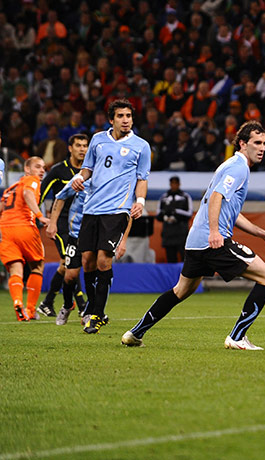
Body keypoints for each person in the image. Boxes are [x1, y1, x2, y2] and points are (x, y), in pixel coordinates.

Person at [121, 121, 265, 350]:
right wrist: (216, 232)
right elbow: (217, 197)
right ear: (242, 144)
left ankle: (135, 333)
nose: (262, 148)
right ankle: (237, 337)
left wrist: (262, 233)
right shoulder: (238, 167)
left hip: (196, 241)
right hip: (213, 240)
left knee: (181, 290)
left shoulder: (229, 166)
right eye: (257, 143)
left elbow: (230, 211)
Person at [70, 99, 151, 334]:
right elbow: (88, 169)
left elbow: (142, 178)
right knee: (87, 261)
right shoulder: (97, 140)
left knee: (104, 260)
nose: (125, 120)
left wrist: (141, 201)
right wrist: (79, 178)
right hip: (91, 207)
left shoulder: (141, 146)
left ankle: (95, 314)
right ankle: (98, 310)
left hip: (117, 209)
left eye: (129, 116)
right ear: (111, 119)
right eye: (121, 116)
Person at [36, 133, 89, 318]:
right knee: (70, 261)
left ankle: (47, 302)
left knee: (64, 265)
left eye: (85, 145)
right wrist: (38, 216)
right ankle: (82, 305)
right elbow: (41, 194)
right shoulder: (59, 170)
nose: (82, 149)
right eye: (78, 145)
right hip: (60, 224)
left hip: (80, 224)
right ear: (70, 148)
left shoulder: (90, 171)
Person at [0, 157, 49, 321]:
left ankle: (17, 304)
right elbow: (28, 193)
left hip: (5, 230)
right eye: (37, 167)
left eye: (43, 167)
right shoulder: (31, 180)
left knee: (16, 270)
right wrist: (40, 215)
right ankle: (30, 309)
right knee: (37, 265)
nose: (41, 170)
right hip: (24, 227)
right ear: (27, 169)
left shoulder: (10, 188)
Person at [156, 176, 193, 263]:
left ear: (179, 184)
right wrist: (166, 216)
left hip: (181, 233)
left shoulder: (185, 197)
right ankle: (172, 276)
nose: (174, 185)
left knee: (184, 257)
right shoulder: (164, 197)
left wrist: (175, 213)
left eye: (175, 183)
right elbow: (158, 215)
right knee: (170, 258)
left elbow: (189, 214)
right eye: (172, 183)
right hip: (168, 233)